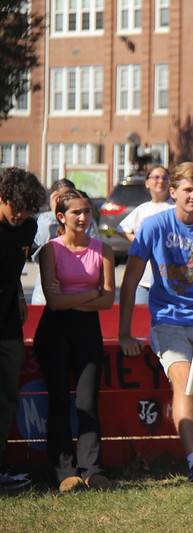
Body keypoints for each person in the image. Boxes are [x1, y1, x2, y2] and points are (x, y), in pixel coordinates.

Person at [118, 162, 193, 485]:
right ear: (173, 193)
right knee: (184, 379)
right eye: (187, 190)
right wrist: (124, 332)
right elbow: (129, 282)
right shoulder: (154, 225)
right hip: (168, 319)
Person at [34, 189, 115, 491]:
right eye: (76, 213)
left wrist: (74, 297)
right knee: (58, 400)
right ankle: (64, 472)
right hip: (54, 332)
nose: (83, 218)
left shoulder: (103, 250)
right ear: (61, 217)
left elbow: (108, 300)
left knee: (87, 403)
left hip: (87, 331)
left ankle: (93, 469)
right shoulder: (50, 251)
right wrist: (91, 294)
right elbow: (53, 303)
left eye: (88, 212)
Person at [0, 167, 46, 489]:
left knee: (6, 398)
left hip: (8, 324)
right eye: (16, 206)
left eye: (28, 208)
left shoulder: (29, 227)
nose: (21, 214)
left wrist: (18, 293)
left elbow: (13, 268)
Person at [31, 179, 100, 305]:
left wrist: (93, 293)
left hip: (80, 289)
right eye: (60, 198)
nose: (66, 201)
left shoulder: (86, 222)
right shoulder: (46, 219)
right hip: (46, 291)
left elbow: (92, 247)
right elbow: (42, 240)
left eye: (69, 197)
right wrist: (55, 212)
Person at [117, 165, 174, 305]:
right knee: (141, 319)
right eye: (156, 177)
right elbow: (122, 228)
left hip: (169, 280)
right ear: (147, 183)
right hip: (144, 279)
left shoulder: (176, 208)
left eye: (165, 178)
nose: (161, 181)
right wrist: (140, 243)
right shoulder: (142, 209)